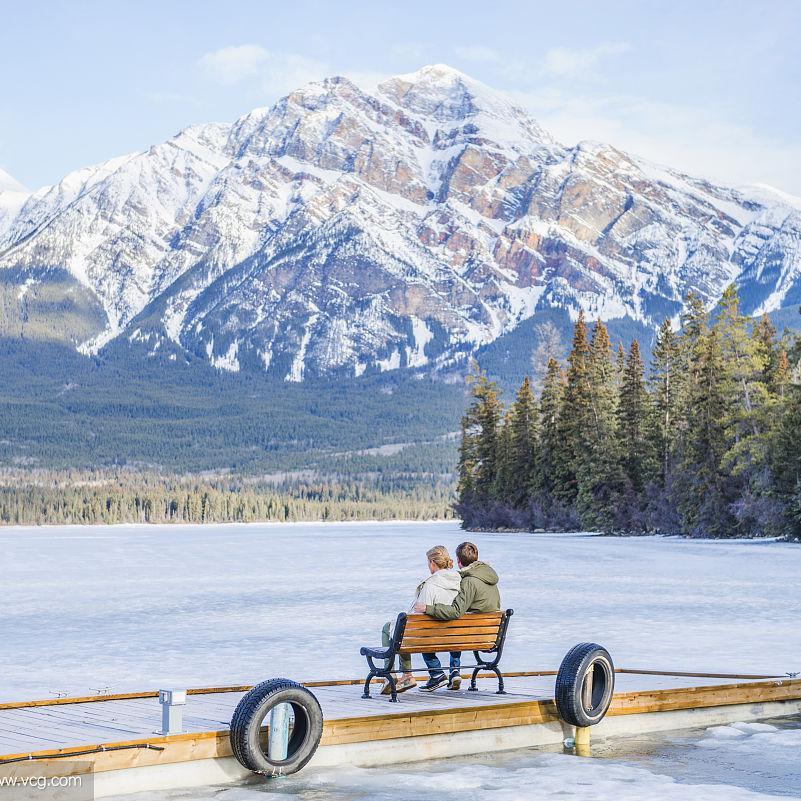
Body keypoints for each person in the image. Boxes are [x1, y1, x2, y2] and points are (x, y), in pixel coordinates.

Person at [413, 541, 501, 691]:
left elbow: (455, 611)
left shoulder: (468, 582)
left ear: (459, 561)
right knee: (459, 624)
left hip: (470, 635)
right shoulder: (489, 578)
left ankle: (438, 673)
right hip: (488, 636)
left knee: (455, 620)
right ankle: (454, 671)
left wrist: (428, 608)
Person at [380, 545, 460, 695]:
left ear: (432, 562)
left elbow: (418, 617)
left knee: (391, 628)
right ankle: (409, 675)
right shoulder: (458, 582)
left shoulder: (431, 584)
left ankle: (396, 675)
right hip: (452, 636)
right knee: (401, 628)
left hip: (428, 637)